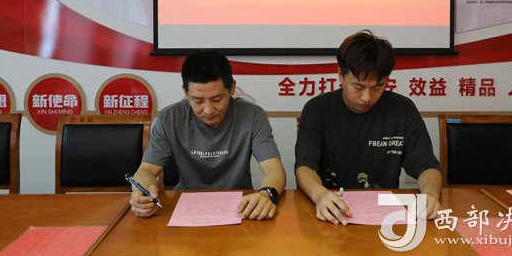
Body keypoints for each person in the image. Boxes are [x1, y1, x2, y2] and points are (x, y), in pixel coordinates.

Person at [294, 30, 442, 225]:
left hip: (386, 217)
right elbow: (304, 167)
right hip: (330, 214)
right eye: (358, 87)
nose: (367, 97)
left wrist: (430, 194)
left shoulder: (402, 110)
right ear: (340, 76)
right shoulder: (317, 109)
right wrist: (319, 194)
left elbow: (427, 166)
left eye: (377, 87)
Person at [130, 51, 286, 220]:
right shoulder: (170, 119)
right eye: (198, 100)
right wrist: (143, 194)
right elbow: (147, 170)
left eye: (217, 99)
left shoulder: (253, 116)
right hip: (184, 206)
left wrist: (265, 194)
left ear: (232, 88)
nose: (208, 110)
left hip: (240, 207)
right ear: (185, 92)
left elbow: (274, 169)